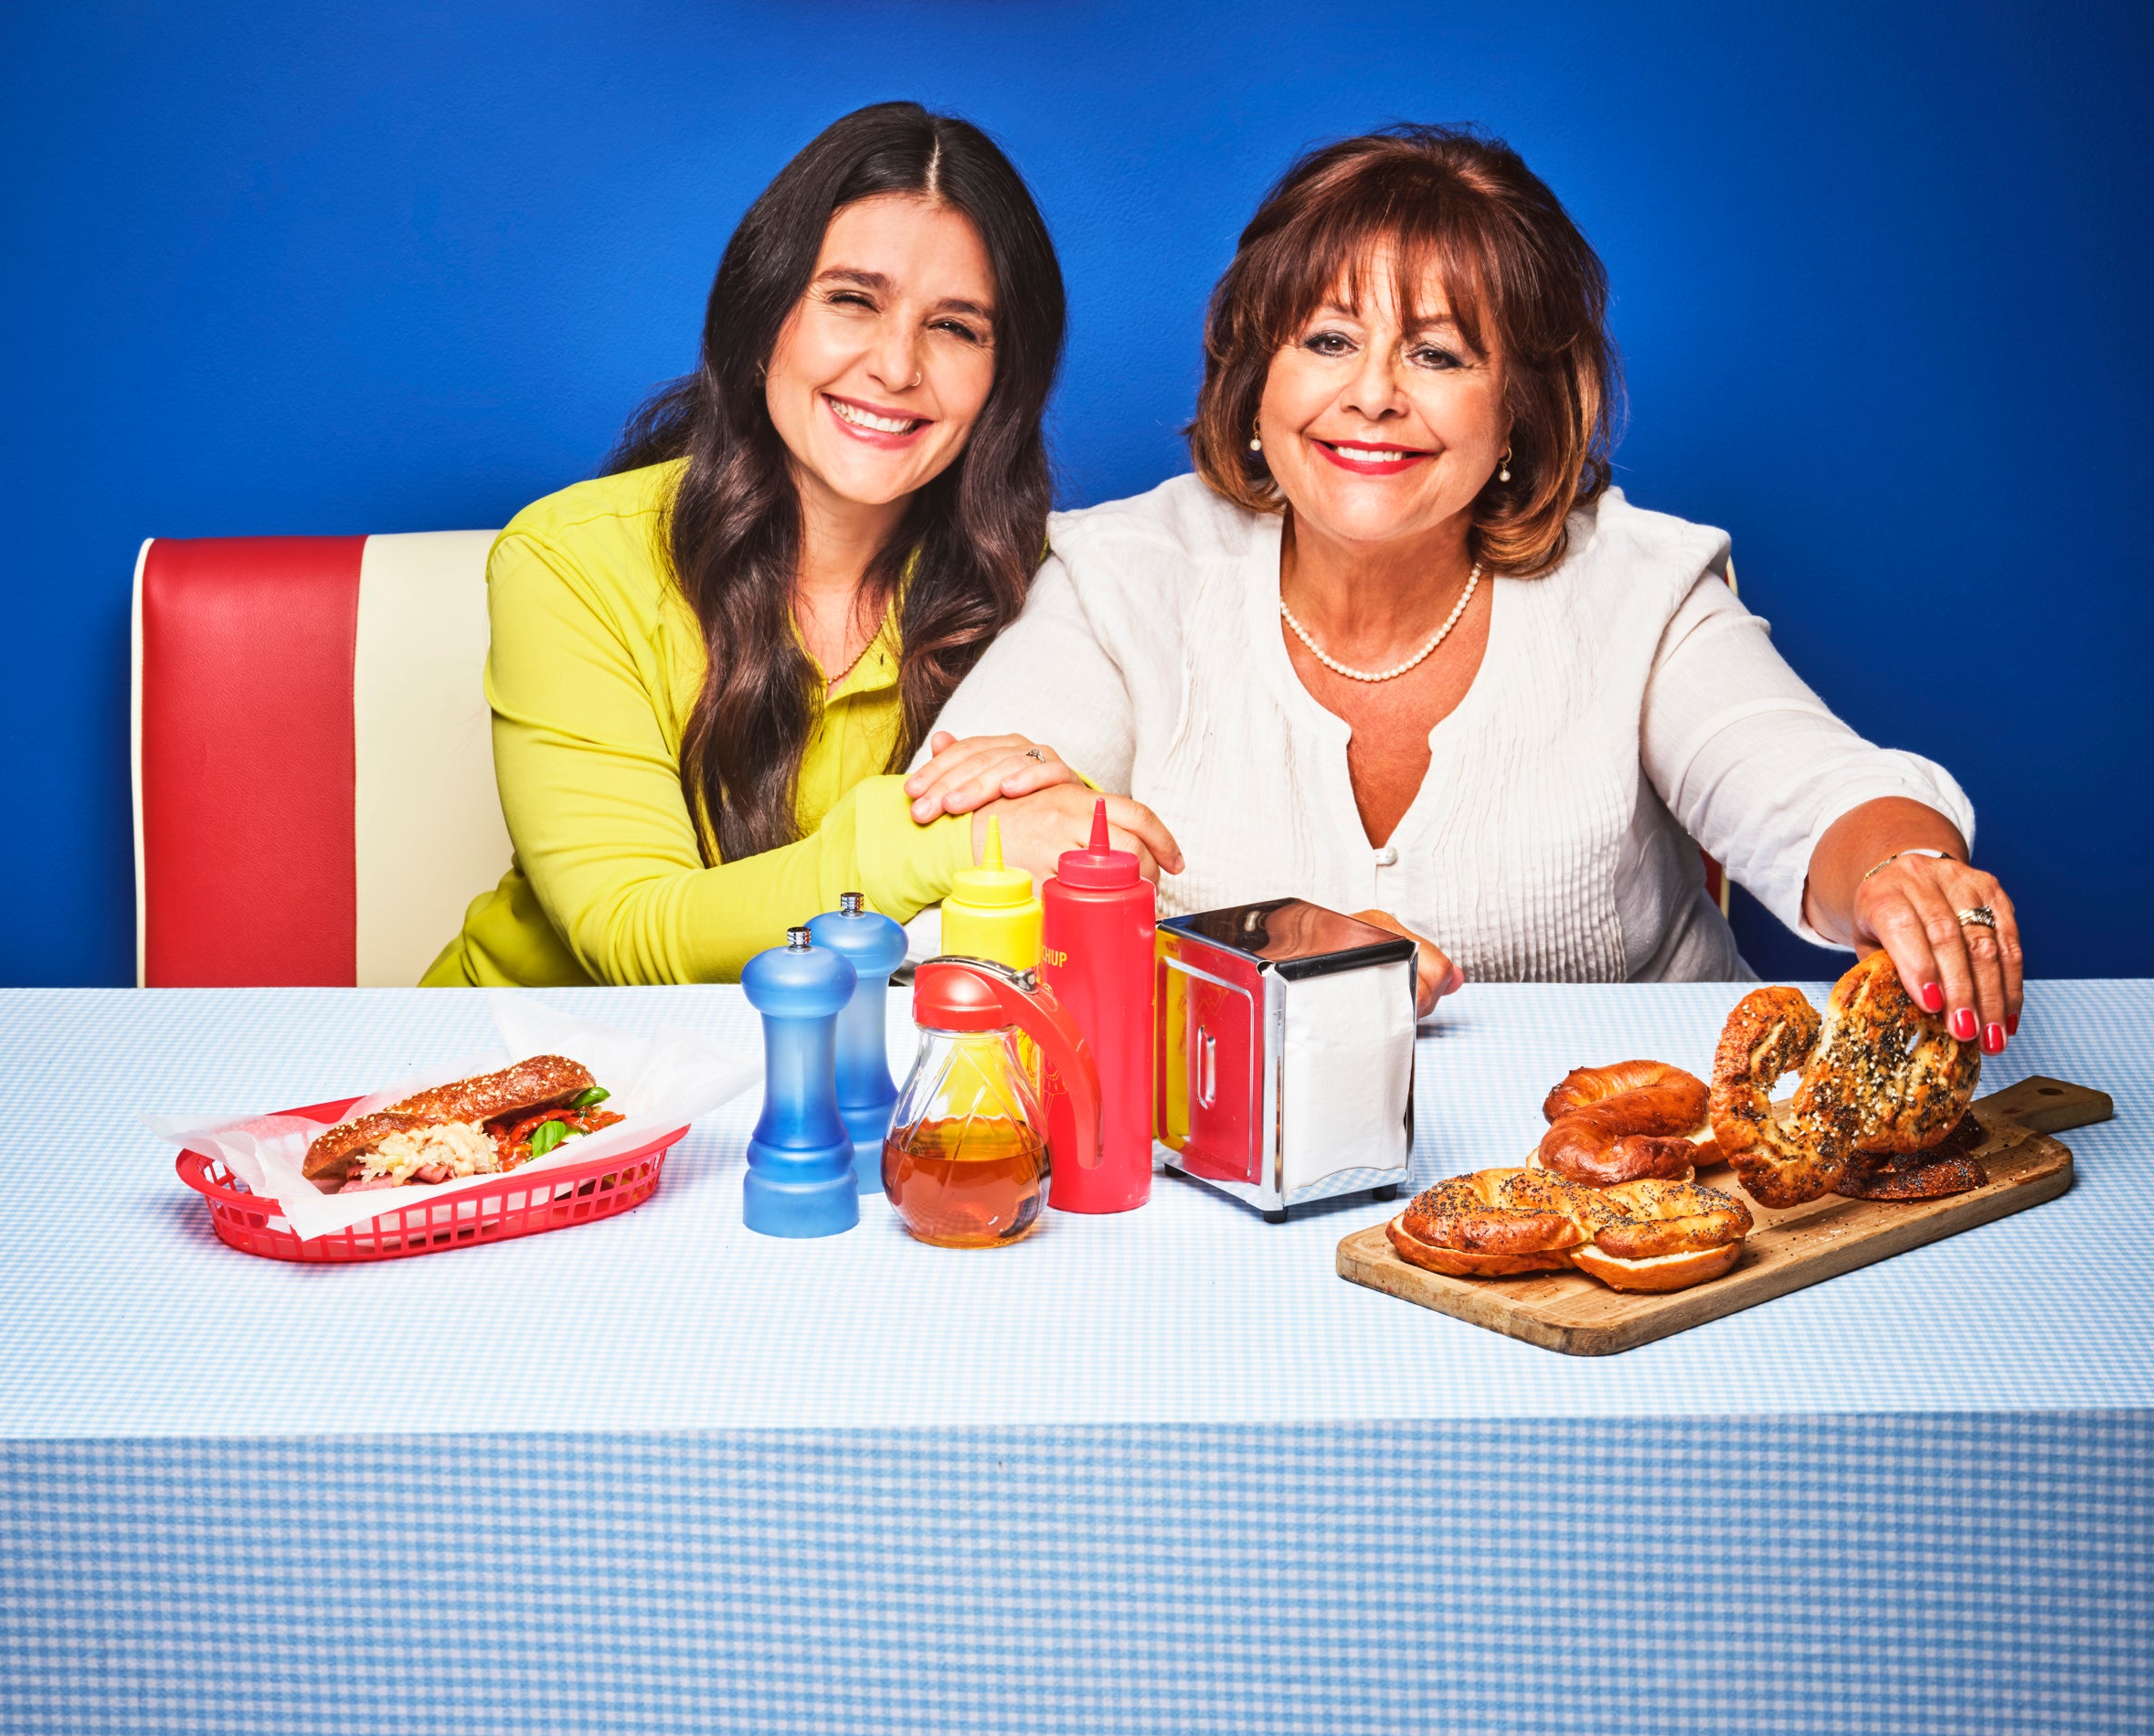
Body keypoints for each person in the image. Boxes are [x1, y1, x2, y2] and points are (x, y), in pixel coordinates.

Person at [907, 126, 2022, 1048]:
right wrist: (1242, 958)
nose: (1373, 396)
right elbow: (952, 883)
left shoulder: (1639, 586)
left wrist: (1901, 872)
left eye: (1437, 355)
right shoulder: (1118, 575)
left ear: (1517, 411)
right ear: (1255, 378)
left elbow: (1811, 791)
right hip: (1216, 1149)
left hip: (1646, 1172)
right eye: (1328, 338)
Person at [424, 101, 1180, 989]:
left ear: (1000, 382)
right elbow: (627, 931)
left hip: (835, 1075)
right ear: (759, 325)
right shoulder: (570, 558)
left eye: (955, 326)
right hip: (513, 1065)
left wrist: (1042, 799)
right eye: (851, 300)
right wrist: (956, 838)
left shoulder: (1046, 588)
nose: (896, 367)